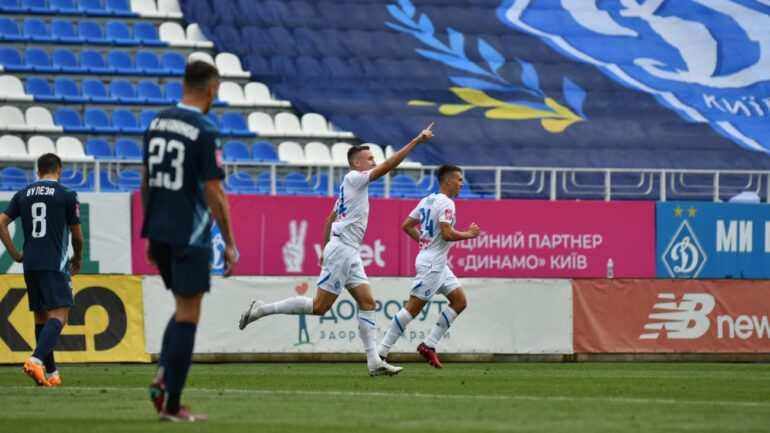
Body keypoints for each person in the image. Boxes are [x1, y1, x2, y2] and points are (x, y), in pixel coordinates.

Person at [239, 123, 435, 376]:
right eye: (369, 159)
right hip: (342, 250)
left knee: (367, 303)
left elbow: (329, 219)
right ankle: (261, 309)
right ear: (356, 164)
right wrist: (416, 140)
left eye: (374, 158)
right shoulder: (353, 178)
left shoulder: (350, 189)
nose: (374, 162)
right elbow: (388, 167)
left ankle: (374, 361)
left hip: (347, 251)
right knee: (320, 307)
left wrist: (324, 251)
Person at [142, 60, 238, 422]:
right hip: (190, 232)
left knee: (182, 306)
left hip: (160, 230)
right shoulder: (204, 129)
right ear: (212, 89)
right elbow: (214, 191)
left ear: (184, 84)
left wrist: (150, 229)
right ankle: (171, 403)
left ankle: (163, 376)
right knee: (189, 312)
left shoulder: (157, 122)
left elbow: (146, 180)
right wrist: (229, 242)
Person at [377, 165, 480, 368]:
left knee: (459, 301)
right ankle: (380, 353)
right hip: (432, 264)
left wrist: (425, 243)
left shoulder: (427, 200)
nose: (461, 184)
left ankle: (429, 345)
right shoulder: (447, 203)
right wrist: (468, 234)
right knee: (412, 309)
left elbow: (406, 225)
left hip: (436, 262)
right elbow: (447, 233)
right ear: (448, 181)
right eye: (459, 179)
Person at [0, 153, 83, 387]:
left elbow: (1, 222)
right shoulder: (66, 194)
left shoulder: (23, 194)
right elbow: (77, 235)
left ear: (38, 171)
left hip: (30, 263)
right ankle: (35, 360)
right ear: (59, 170)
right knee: (60, 315)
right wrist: (77, 258)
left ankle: (51, 373)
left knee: (41, 317)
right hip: (54, 262)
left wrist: (15, 254)